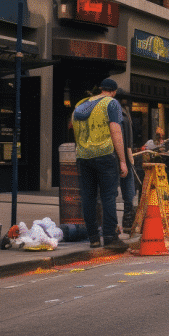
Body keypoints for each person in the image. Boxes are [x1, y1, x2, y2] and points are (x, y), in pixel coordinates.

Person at [73, 78, 129, 251]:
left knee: (88, 197)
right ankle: (111, 237)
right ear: (113, 91)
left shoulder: (81, 104)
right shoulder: (112, 104)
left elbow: (74, 128)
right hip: (105, 154)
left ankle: (93, 239)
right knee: (108, 196)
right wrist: (122, 160)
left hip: (84, 156)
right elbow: (115, 130)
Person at [116, 92, 138, 233]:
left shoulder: (124, 113)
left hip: (121, 155)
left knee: (125, 190)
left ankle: (127, 220)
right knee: (125, 190)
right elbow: (121, 137)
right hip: (120, 156)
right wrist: (125, 157)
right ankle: (127, 220)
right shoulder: (122, 114)